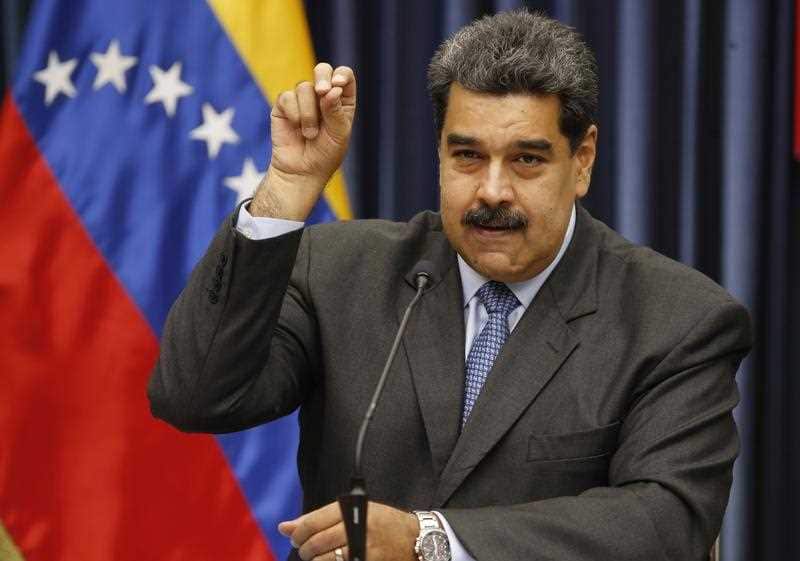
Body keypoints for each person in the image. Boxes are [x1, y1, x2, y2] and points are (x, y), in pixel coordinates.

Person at [148, 10, 752, 561]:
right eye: (466, 155)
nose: (491, 191)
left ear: (583, 159)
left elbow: (669, 523)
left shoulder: (676, 319)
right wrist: (286, 188)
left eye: (527, 160)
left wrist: (430, 540)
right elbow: (197, 395)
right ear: (438, 152)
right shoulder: (340, 271)